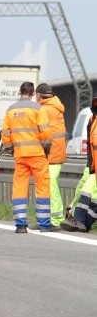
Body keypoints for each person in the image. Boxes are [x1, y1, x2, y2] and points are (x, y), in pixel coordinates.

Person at [0, 82, 56, 233]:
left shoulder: (10, 110)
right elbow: (45, 133)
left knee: (19, 188)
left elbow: (5, 134)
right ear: (33, 94)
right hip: (37, 155)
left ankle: (20, 225)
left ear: (20, 92)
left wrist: (11, 149)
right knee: (43, 187)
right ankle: (44, 224)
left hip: (20, 156)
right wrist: (46, 149)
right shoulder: (38, 109)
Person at [62, 97, 97, 232]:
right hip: (94, 168)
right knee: (86, 191)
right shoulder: (92, 120)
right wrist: (91, 165)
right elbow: (90, 147)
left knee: (92, 196)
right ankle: (80, 222)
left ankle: (81, 223)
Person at [35, 83, 66, 227]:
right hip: (57, 153)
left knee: (49, 186)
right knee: (49, 186)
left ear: (39, 95)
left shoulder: (44, 109)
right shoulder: (55, 107)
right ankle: (49, 219)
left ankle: (55, 220)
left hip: (50, 154)